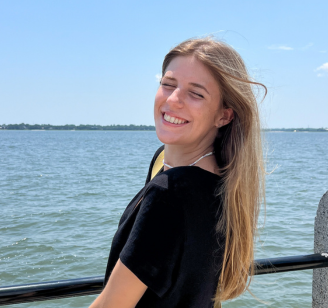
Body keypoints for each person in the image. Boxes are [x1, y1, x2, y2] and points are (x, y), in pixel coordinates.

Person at [89, 37, 266, 308]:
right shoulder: (223, 181)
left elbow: (112, 304)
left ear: (224, 116)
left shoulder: (169, 193)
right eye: (168, 84)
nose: (173, 99)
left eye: (196, 93)